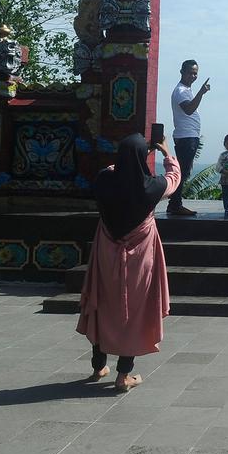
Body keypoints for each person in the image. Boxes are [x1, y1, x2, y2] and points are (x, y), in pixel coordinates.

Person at [77, 133, 181, 392]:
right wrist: (167, 153)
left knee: (103, 303)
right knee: (134, 311)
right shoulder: (151, 187)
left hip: (106, 254)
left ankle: (98, 365)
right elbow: (173, 179)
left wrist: (121, 163)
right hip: (139, 260)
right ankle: (124, 374)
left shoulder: (104, 181)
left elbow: (109, 170)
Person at [167, 59, 209, 216]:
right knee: (183, 172)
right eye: (190, 72)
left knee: (184, 171)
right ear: (182, 72)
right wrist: (201, 93)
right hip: (186, 137)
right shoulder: (180, 91)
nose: (193, 76)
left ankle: (175, 204)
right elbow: (189, 109)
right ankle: (175, 205)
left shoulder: (186, 90)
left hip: (188, 136)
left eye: (195, 73)